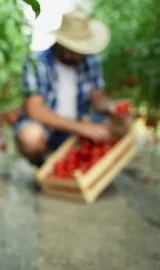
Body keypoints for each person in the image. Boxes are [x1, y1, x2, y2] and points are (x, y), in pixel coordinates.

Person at [15, 11, 132, 167]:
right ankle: (42, 163)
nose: (78, 55)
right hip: (48, 128)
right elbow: (35, 110)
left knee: (125, 122)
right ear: (60, 43)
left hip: (79, 124)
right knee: (30, 137)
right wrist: (83, 128)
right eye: (73, 49)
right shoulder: (37, 63)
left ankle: (85, 160)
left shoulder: (90, 60)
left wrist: (111, 106)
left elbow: (98, 97)